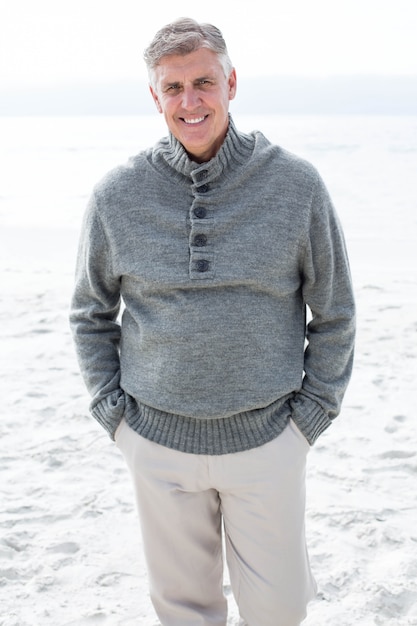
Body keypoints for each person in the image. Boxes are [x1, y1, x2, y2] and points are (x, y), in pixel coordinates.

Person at [70, 17, 355, 626]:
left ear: (231, 83)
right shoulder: (117, 195)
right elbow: (90, 313)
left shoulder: (296, 185)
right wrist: (115, 417)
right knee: (184, 612)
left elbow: (335, 311)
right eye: (173, 88)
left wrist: (311, 417)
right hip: (156, 443)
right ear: (155, 96)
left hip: (270, 441)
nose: (190, 101)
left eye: (204, 82)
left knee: (278, 611)